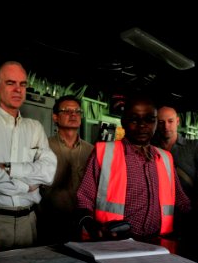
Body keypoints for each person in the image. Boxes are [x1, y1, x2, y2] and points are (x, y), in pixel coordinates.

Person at [0, 61, 57, 251]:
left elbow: (48, 171)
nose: (18, 90)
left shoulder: (35, 127)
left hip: (28, 222)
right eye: (10, 83)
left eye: (22, 84)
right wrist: (27, 185)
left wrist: (9, 168)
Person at [75, 95, 191, 245]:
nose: (142, 125)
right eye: (134, 119)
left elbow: (181, 202)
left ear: (155, 122)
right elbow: (83, 200)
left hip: (157, 244)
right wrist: (92, 226)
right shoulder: (104, 153)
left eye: (149, 119)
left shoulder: (166, 158)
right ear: (123, 122)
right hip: (113, 244)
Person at [37, 95, 94, 245]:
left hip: (81, 225)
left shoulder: (91, 151)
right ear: (55, 117)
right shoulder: (43, 147)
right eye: (67, 111)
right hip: (48, 223)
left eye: (77, 111)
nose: (73, 114)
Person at [153, 106, 198, 207]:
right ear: (156, 123)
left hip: (189, 208)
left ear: (177, 121)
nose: (166, 126)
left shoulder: (194, 145)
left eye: (170, 121)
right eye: (161, 122)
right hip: (159, 208)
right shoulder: (150, 148)